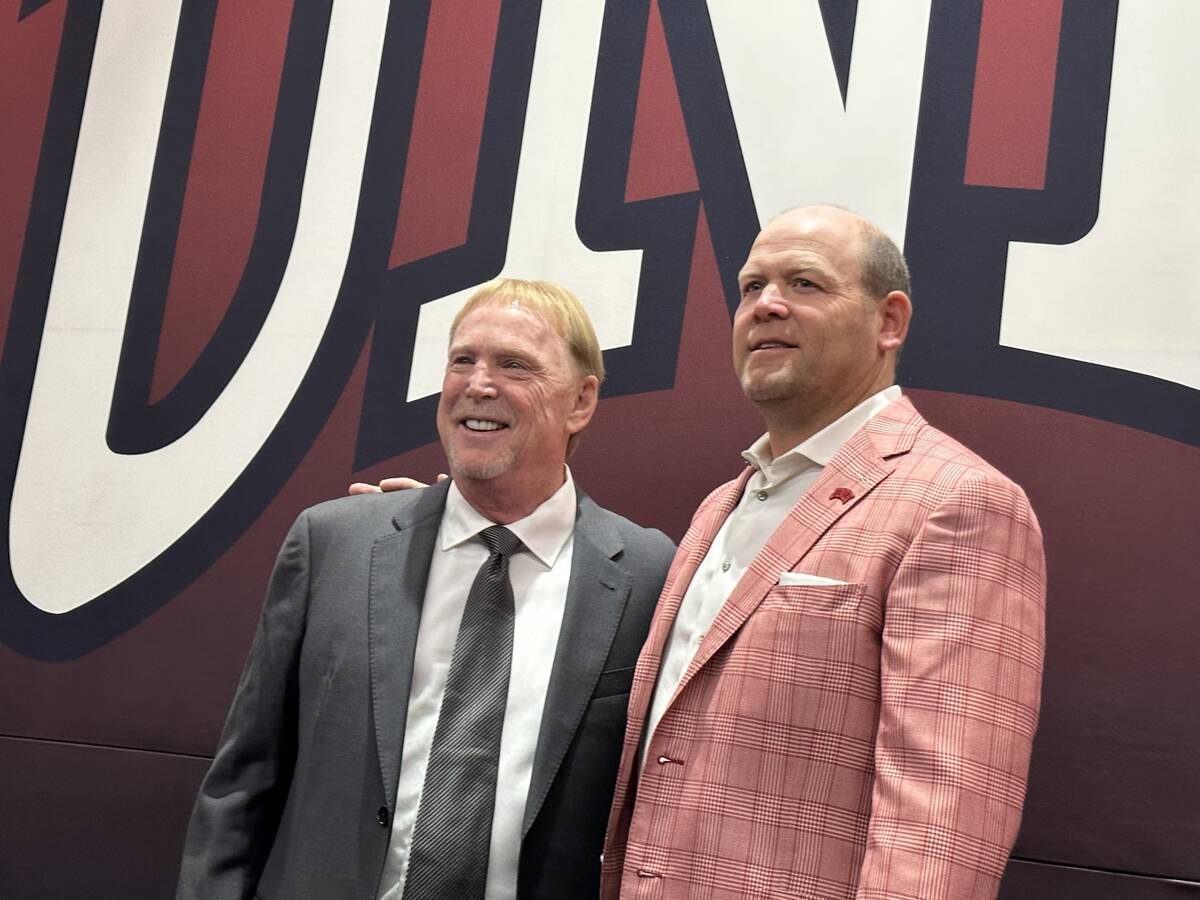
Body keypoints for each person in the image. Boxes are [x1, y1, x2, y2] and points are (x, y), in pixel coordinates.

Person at [175, 279, 676, 900]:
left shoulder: (649, 573)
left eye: (514, 364)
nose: (478, 383)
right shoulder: (335, 544)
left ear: (580, 400)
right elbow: (243, 782)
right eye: (463, 359)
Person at [599, 205, 1046, 899]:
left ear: (888, 322)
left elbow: (941, 828)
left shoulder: (958, 503)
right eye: (751, 287)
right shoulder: (723, 504)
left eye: (804, 283)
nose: (766, 305)